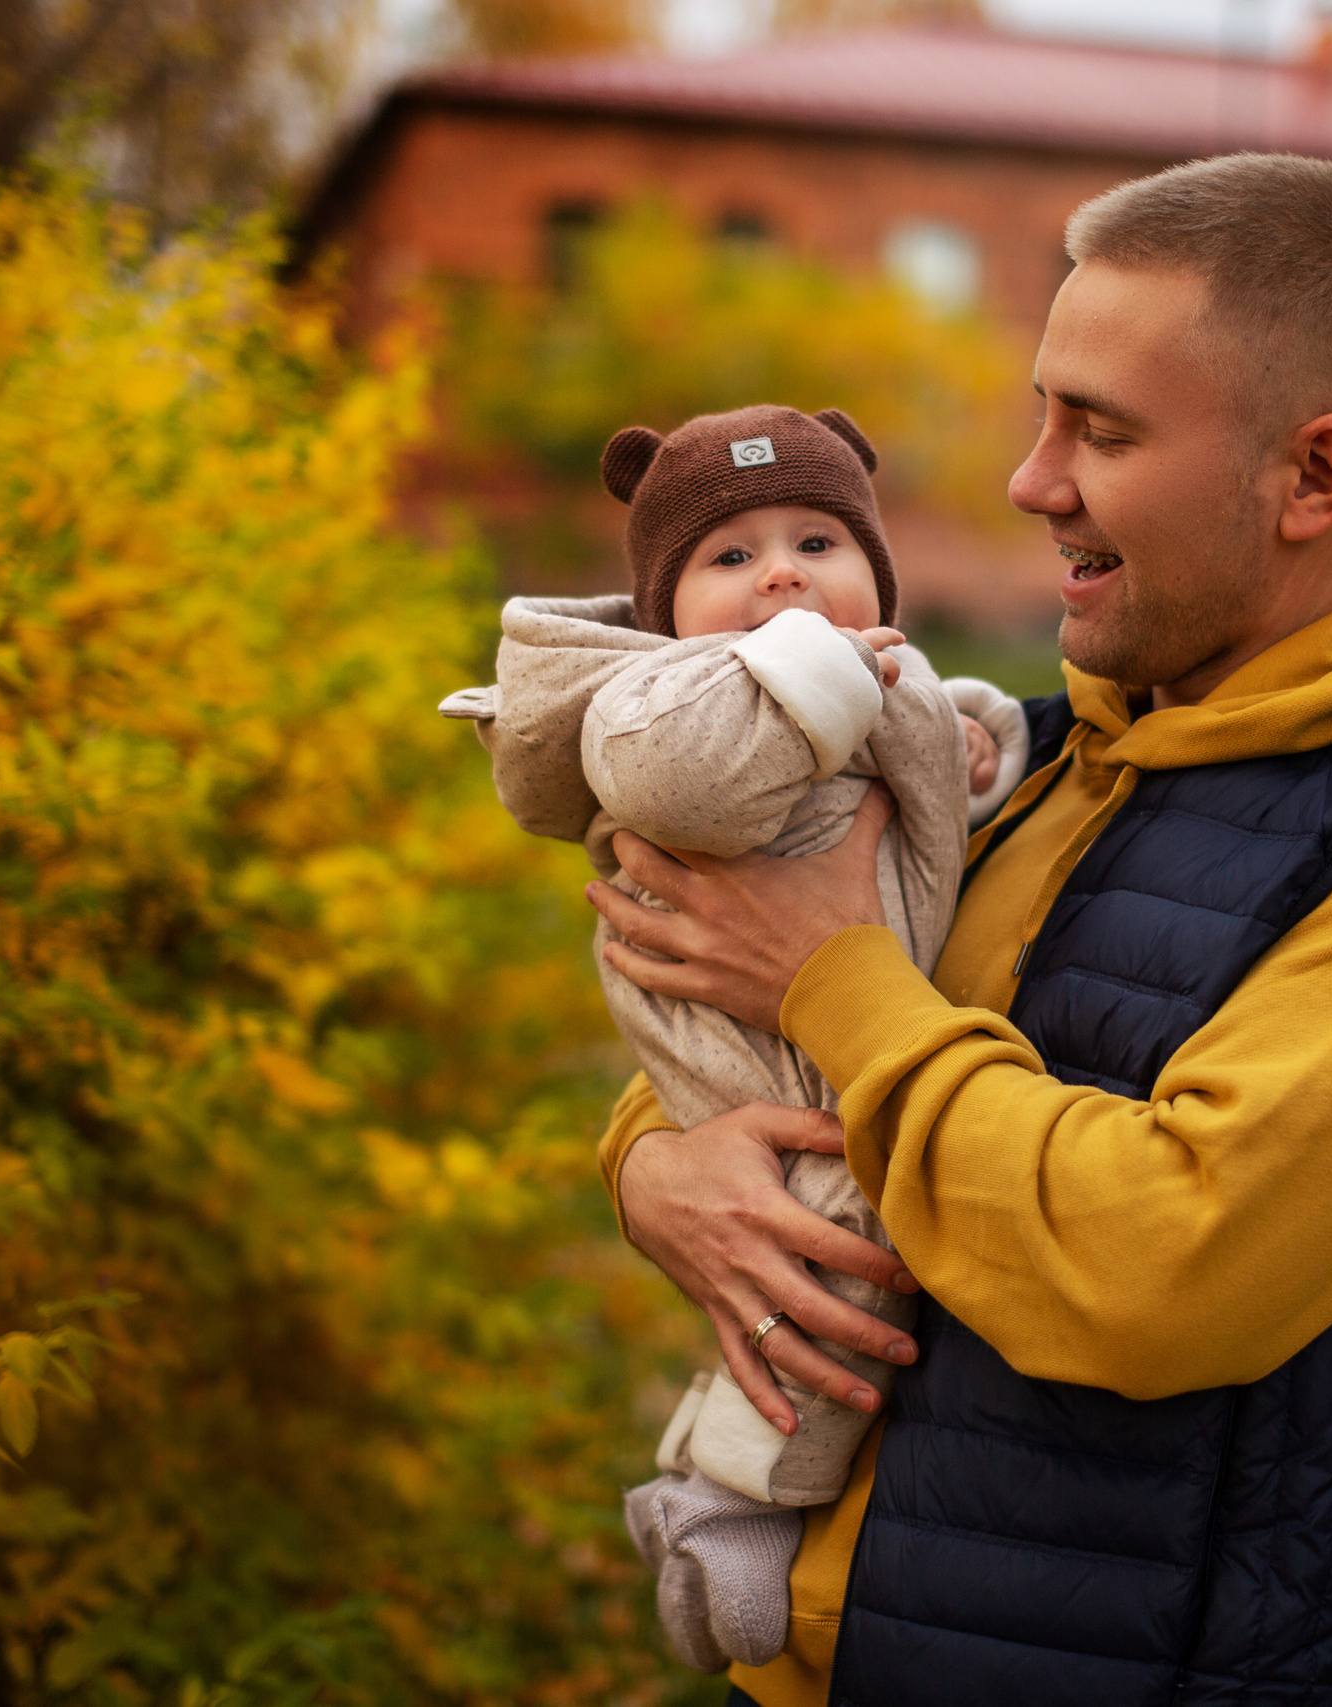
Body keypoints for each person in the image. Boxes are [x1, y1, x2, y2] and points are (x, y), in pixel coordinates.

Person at [586, 154, 1332, 1706]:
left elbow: (1156, 1261)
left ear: (1314, 477)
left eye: (1102, 431)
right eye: (1044, 408)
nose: (1031, 476)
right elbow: (775, 1019)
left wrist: (832, 972)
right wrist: (651, 1166)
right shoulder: (1048, 751)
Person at [438, 403, 1028, 1674]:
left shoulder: (858, 671)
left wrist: (973, 741)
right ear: (664, 611)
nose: (779, 575)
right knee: (831, 1253)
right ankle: (736, 1496)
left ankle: (723, 1482)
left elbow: (912, 763)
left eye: (817, 539)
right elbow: (684, 789)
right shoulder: (669, 697)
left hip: (830, 1021)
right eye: (729, 556)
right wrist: (827, 669)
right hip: (741, 1050)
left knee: (839, 1241)